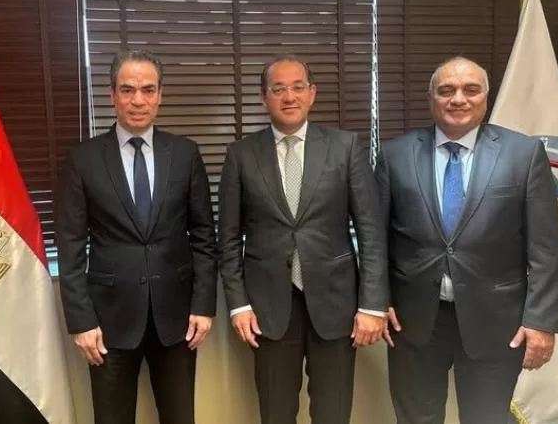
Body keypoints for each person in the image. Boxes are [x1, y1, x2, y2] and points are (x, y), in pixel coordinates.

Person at [375, 56, 558, 424]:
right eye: (446, 90)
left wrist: (541, 321)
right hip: (414, 322)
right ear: (431, 98)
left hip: (497, 322)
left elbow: (547, 247)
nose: (458, 99)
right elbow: (376, 238)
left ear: (485, 97)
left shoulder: (523, 154)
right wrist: (377, 300)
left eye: (470, 89)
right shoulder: (396, 155)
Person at [218, 54, 389, 424]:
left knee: (333, 412)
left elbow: (371, 232)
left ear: (312, 93)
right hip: (267, 308)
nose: (289, 96)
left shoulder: (345, 147)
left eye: (298, 87)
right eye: (278, 89)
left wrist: (372, 304)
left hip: (337, 304)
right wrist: (238, 305)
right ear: (264, 98)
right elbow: (228, 239)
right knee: (276, 412)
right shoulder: (241, 155)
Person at [56, 49, 217, 424]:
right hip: (108, 322)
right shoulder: (83, 159)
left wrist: (203, 305)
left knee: (180, 417)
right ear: (112, 95)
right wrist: (81, 321)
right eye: (128, 90)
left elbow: (203, 237)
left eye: (148, 90)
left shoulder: (185, 154)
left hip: (177, 318)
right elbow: (71, 246)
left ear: (160, 95)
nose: (138, 100)